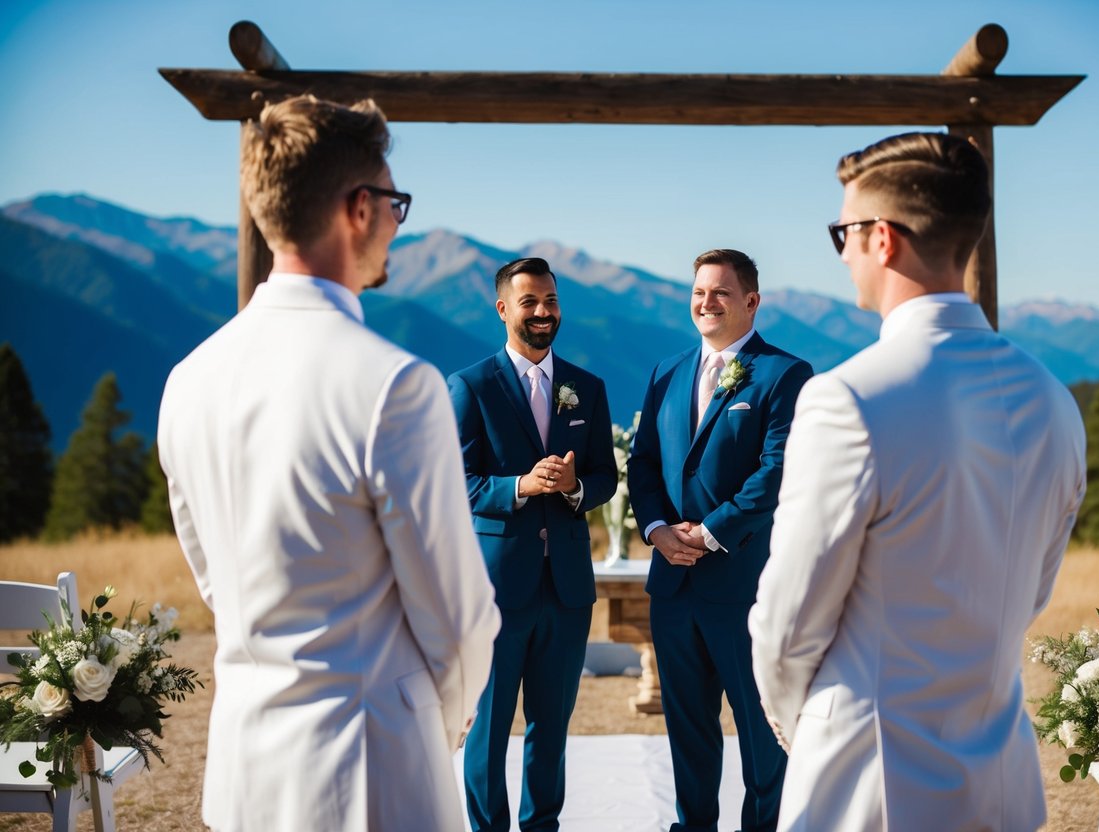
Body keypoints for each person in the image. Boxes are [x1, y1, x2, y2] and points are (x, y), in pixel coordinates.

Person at [157, 94, 500, 832]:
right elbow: (457, 614)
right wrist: (432, 728)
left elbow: (216, 581)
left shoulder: (188, 378)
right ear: (358, 208)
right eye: (395, 204)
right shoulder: (393, 385)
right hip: (371, 774)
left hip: (244, 771)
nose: (395, 228)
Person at [748, 132, 1087, 832]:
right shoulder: (1054, 401)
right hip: (999, 778)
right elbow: (1029, 596)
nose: (840, 254)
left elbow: (788, 621)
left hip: (868, 785)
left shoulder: (848, 399)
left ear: (881, 239)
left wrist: (802, 725)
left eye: (842, 233)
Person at [627, 249, 814, 832]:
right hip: (674, 585)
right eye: (698, 292)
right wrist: (658, 531)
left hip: (745, 588)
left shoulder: (785, 375)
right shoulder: (666, 373)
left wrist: (710, 533)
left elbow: (776, 471)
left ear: (751, 302)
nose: (705, 303)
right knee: (688, 733)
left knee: (763, 736)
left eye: (721, 293)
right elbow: (644, 465)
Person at [449, 257, 617, 832]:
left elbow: (605, 477)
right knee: (489, 728)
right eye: (530, 302)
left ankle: (542, 825)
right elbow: (454, 483)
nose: (543, 312)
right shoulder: (470, 386)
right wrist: (519, 486)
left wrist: (576, 489)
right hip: (497, 590)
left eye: (550, 301)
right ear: (503, 309)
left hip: (567, 590)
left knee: (552, 728)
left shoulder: (585, 389)